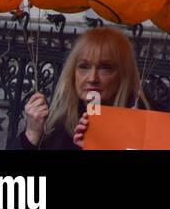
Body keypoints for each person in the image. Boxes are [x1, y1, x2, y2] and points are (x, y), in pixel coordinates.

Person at [12, 27, 148, 150]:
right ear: (72, 72)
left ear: (123, 75)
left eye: (105, 68)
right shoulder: (58, 126)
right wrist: (31, 135)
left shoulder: (145, 124)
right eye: (84, 67)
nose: (92, 78)